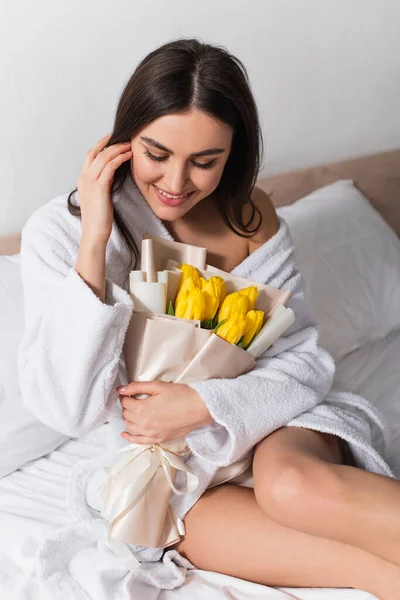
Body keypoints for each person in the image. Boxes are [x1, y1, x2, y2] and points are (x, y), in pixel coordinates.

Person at [18, 39, 400, 598]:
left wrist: (203, 404)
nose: (177, 182)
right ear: (124, 139)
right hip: (169, 474)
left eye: (205, 162)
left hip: (274, 425)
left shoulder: (250, 216)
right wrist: (95, 240)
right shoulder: (62, 231)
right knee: (380, 575)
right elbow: (67, 409)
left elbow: (304, 363)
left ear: (232, 152)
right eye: (156, 154)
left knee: (292, 488)